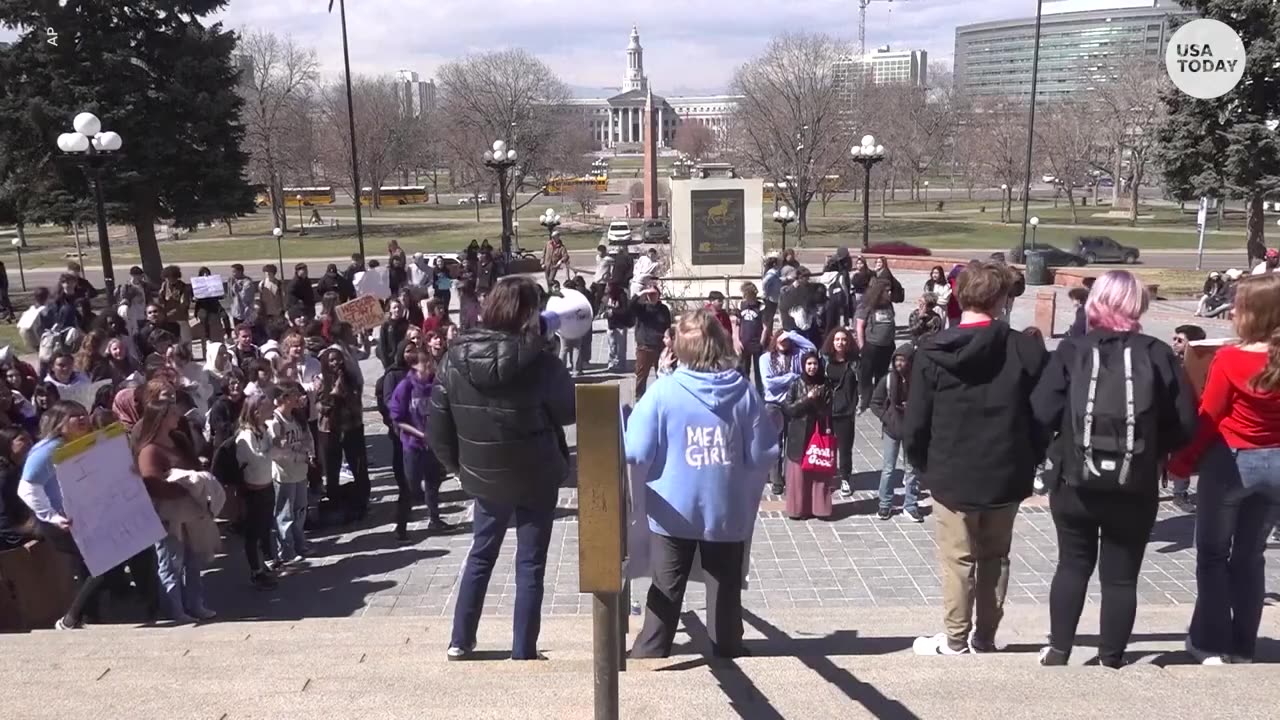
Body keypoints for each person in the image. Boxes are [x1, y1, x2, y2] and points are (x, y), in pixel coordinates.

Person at [1027, 270, 1197, 668]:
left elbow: (1040, 410)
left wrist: (1063, 440)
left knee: (1072, 564)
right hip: (1134, 483)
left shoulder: (1072, 351)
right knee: (1121, 577)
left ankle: (1059, 650)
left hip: (1074, 481)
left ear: (1094, 304)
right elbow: (1187, 423)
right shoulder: (1157, 354)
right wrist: (1153, 449)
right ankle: (1111, 656)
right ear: (1138, 306)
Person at [904, 260, 1049, 656]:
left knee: (957, 560)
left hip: (951, 471)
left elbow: (915, 420)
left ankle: (955, 639)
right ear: (1002, 300)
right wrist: (1034, 456)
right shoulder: (1025, 347)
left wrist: (921, 463)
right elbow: (1044, 413)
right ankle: (984, 637)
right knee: (994, 558)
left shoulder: (932, 351)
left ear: (957, 295)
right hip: (1007, 468)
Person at [429, 276, 575, 661]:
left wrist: (456, 469)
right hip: (537, 473)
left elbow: (437, 425)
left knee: (481, 554)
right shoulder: (542, 362)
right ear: (529, 313)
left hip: (484, 474)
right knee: (530, 563)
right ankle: (523, 648)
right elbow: (569, 411)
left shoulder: (454, 358)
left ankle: (460, 639)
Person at [626, 309, 779, 658]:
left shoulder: (663, 392)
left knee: (666, 585)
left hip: (671, 507)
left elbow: (635, 450)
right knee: (724, 585)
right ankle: (727, 645)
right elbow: (762, 453)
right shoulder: (742, 391)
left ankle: (651, 649)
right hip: (725, 506)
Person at [1166, 273, 1280, 664]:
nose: (1232, 309)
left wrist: (1181, 462)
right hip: (1276, 465)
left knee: (1212, 556)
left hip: (1230, 463)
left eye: (1239, 304)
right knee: (1250, 556)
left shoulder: (1230, 358)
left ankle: (1211, 643)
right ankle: (1244, 646)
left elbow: (1209, 417)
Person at [133, 397, 216, 623]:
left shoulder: (178, 439)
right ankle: (174, 609)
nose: (177, 416)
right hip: (167, 514)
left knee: (193, 559)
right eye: (171, 413)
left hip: (190, 510)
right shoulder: (149, 451)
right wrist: (182, 488)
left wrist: (198, 480)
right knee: (171, 561)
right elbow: (152, 483)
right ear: (160, 419)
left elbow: (193, 466)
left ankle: (196, 604)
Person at [389, 345, 450, 540]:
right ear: (415, 365)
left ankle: (435, 518)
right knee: (410, 487)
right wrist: (419, 434)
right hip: (413, 445)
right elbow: (398, 418)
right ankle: (401, 525)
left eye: (431, 362)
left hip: (432, 444)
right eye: (426, 362)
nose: (430, 366)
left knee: (433, 482)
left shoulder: (435, 384)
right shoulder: (405, 386)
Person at [759, 329, 816, 495]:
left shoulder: (797, 355)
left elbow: (811, 348)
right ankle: (776, 479)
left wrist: (792, 334)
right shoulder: (766, 358)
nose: (784, 344)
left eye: (786, 341)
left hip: (792, 401)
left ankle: (790, 476)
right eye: (781, 340)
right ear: (775, 341)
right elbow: (768, 383)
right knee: (775, 443)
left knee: (792, 441)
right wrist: (791, 377)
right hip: (774, 404)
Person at [232, 393, 279, 590]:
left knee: (265, 527)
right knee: (253, 533)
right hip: (253, 491)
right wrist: (273, 451)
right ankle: (256, 571)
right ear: (256, 412)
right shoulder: (245, 436)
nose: (271, 411)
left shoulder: (263, 429)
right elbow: (257, 459)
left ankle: (265, 561)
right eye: (267, 408)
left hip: (267, 486)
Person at [871, 343, 922, 522]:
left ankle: (910, 505)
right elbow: (875, 402)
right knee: (888, 469)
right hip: (892, 429)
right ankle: (884, 504)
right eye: (897, 360)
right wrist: (887, 418)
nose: (900, 364)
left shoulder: (919, 381)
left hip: (911, 429)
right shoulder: (888, 380)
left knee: (912, 470)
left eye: (903, 360)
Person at [781, 351, 833, 520]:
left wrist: (817, 400)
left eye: (815, 364)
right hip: (799, 433)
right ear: (803, 365)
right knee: (798, 474)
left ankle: (820, 509)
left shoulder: (825, 384)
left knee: (818, 471)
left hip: (817, 431)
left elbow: (827, 409)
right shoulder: (796, 384)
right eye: (809, 364)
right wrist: (807, 399)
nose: (812, 367)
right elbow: (789, 409)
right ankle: (798, 509)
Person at [267, 381, 314, 565]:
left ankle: (299, 543)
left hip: (300, 472)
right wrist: (298, 456)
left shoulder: (298, 417)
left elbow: (308, 437)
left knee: (300, 510)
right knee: (284, 513)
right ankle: (286, 550)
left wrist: (309, 452)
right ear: (283, 398)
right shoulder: (275, 421)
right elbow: (277, 452)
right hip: (284, 474)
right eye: (293, 394)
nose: (298, 398)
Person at [822, 328, 858, 497]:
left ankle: (845, 478)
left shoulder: (854, 362)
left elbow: (860, 385)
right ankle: (828, 476)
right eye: (837, 339)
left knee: (845, 448)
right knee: (826, 446)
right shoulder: (825, 360)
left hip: (845, 411)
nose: (840, 342)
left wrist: (856, 405)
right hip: (827, 410)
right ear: (832, 341)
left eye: (843, 339)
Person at [855, 278, 896, 414]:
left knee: (882, 374)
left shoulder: (888, 305)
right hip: (871, 346)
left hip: (887, 346)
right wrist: (862, 346)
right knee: (866, 375)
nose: (890, 293)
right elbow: (860, 326)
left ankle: (879, 400)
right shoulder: (867, 305)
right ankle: (865, 400)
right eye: (887, 291)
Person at [631, 284, 672, 399]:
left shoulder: (664, 309)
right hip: (645, 347)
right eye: (650, 294)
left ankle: (663, 398)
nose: (652, 296)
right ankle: (639, 399)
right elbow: (630, 306)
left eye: (654, 294)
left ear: (659, 295)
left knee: (663, 375)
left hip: (660, 347)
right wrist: (641, 294)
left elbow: (668, 326)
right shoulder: (642, 308)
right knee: (641, 376)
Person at [0, 427, 35, 551]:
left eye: (30, 438)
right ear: (7, 444)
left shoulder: (21, 469)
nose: (29, 442)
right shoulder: (4, 476)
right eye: (22, 439)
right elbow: (3, 521)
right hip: (12, 547)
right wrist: (25, 535)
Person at [733, 282, 766, 394]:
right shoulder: (740, 305)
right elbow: (737, 324)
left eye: (746, 294)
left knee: (759, 370)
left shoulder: (761, 306)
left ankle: (760, 393)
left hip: (757, 342)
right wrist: (736, 340)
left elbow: (765, 326)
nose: (745, 297)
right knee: (744, 369)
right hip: (744, 342)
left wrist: (762, 342)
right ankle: (744, 392)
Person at [157, 266, 194, 344]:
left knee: (185, 342)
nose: (168, 280)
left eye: (170, 278)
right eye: (166, 278)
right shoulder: (164, 286)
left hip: (180, 319)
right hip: (168, 320)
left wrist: (171, 313)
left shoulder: (184, 287)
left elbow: (184, 304)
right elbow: (161, 302)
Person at [194, 267, 230, 343]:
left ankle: (228, 334)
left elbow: (220, 296)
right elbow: (193, 297)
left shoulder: (214, 282)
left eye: (207, 273)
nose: (205, 275)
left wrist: (221, 294)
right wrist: (195, 298)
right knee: (204, 317)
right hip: (203, 305)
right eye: (203, 274)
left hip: (214, 304)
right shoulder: (197, 283)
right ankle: (207, 337)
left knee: (225, 316)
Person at [604, 283, 633, 373]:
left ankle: (621, 364)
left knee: (621, 347)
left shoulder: (622, 296)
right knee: (611, 345)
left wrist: (614, 312)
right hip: (611, 324)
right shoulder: (607, 296)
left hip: (620, 324)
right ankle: (611, 363)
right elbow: (604, 305)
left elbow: (625, 310)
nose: (608, 290)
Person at [378, 298, 411, 369]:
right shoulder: (386, 326)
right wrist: (386, 364)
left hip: (407, 360)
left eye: (399, 307)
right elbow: (382, 346)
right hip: (392, 362)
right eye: (394, 307)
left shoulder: (406, 323)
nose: (397, 309)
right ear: (390, 310)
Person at [761, 256, 782, 338]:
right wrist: (766, 293)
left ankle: (768, 334)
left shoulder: (775, 273)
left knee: (770, 318)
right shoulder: (772, 273)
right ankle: (767, 335)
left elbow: (777, 281)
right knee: (769, 318)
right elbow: (765, 282)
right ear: (774, 264)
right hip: (770, 299)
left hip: (774, 298)